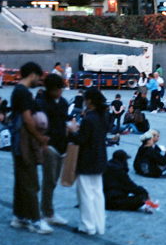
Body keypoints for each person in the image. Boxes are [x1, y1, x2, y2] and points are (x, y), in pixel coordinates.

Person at [8, 62, 51, 234]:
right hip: (23, 142)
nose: (39, 81)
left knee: (21, 180)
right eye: (39, 77)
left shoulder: (18, 91)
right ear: (33, 74)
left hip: (19, 141)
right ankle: (35, 220)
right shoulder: (23, 92)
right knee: (31, 181)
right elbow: (27, 119)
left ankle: (20, 216)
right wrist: (40, 139)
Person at [67, 88, 109, 235]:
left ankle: (87, 226)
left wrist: (73, 132)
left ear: (89, 101)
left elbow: (82, 140)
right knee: (98, 193)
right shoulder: (103, 115)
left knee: (85, 193)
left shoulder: (89, 118)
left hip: (86, 160)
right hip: (100, 158)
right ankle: (99, 225)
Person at [37, 74, 70, 227]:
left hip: (62, 145)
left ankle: (47, 210)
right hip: (49, 146)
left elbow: (64, 122)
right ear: (50, 89)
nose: (60, 92)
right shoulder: (41, 103)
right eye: (57, 89)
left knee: (53, 181)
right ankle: (47, 212)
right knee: (48, 181)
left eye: (61, 89)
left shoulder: (63, 102)